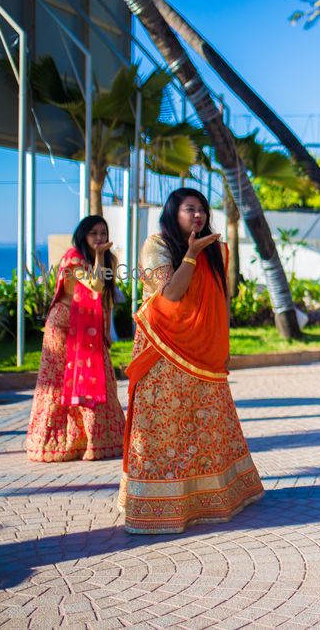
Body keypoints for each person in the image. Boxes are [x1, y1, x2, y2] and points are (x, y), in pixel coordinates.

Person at [119, 187, 264, 534]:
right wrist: (191, 255)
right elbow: (169, 295)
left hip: (204, 357)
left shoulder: (215, 251)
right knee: (165, 431)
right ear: (174, 212)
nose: (197, 215)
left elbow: (219, 303)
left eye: (201, 209)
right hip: (163, 355)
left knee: (205, 430)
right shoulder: (156, 245)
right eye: (189, 209)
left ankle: (212, 498)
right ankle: (156, 504)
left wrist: (221, 343)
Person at [26, 216, 125, 462]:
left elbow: (106, 298)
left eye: (103, 232)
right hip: (63, 327)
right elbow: (95, 285)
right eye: (94, 233)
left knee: (99, 379)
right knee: (60, 382)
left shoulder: (103, 260)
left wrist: (106, 332)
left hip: (91, 327)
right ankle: (57, 444)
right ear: (83, 235)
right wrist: (101, 256)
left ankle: (96, 442)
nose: (100, 238)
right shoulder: (73, 257)